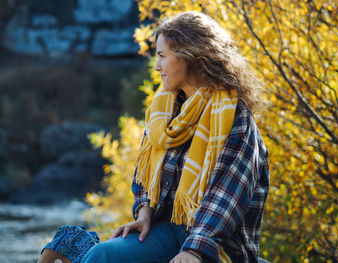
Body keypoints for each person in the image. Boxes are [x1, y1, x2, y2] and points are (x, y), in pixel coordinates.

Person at [81, 11, 269, 263]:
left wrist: (194, 250)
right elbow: (146, 175)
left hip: (219, 242)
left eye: (162, 56)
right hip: (166, 230)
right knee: (102, 254)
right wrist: (144, 215)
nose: (157, 66)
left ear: (189, 56)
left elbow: (226, 195)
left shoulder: (234, 115)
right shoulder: (164, 109)